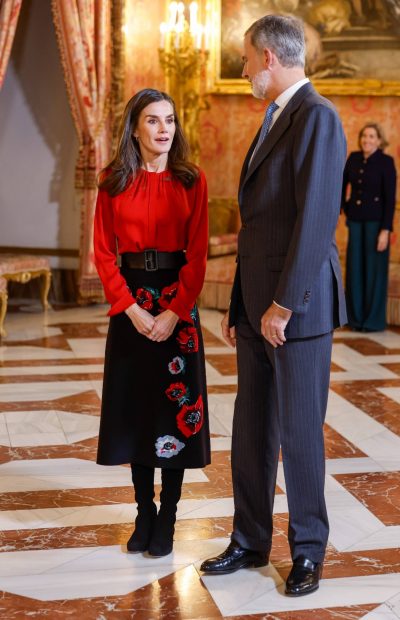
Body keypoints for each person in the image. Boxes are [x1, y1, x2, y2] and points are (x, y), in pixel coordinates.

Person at [200, 15, 347, 597]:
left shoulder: (318, 117)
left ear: (267, 57)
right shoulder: (273, 119)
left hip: (296, 311)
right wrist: (242, 308)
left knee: (301, 434)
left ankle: (308, 551)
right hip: (258, 309)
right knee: (251, 429)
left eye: (244, 58)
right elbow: (257, 227)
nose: (241, 69)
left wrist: (284, 304)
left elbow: (314, 221)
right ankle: (249, 538)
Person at [94, 88, 210, 558]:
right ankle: (144, 511)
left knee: (173, 416)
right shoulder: (112, 181)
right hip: (131, 307)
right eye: (153, 120)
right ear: (135, 128)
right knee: (138, 412)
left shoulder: (192, 180)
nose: (164, 129)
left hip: (176, 307)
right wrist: (132, 308)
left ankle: (169, 516)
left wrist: (174, 311)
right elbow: (103, 253)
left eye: (170, 120)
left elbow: (199, 254)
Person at [342, 123, 397, 331]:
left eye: (372, 136)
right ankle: (355, 320)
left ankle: (372, 321)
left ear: (379, 140)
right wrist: (343, 208)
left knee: (374, 272)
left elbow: (389, 200)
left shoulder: (386, 162)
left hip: (376, 225)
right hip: (355, 221)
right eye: (364, 136)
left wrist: (385, 231)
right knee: (354, 270)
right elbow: (342, 184)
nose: (367, 140)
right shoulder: (354, 158)